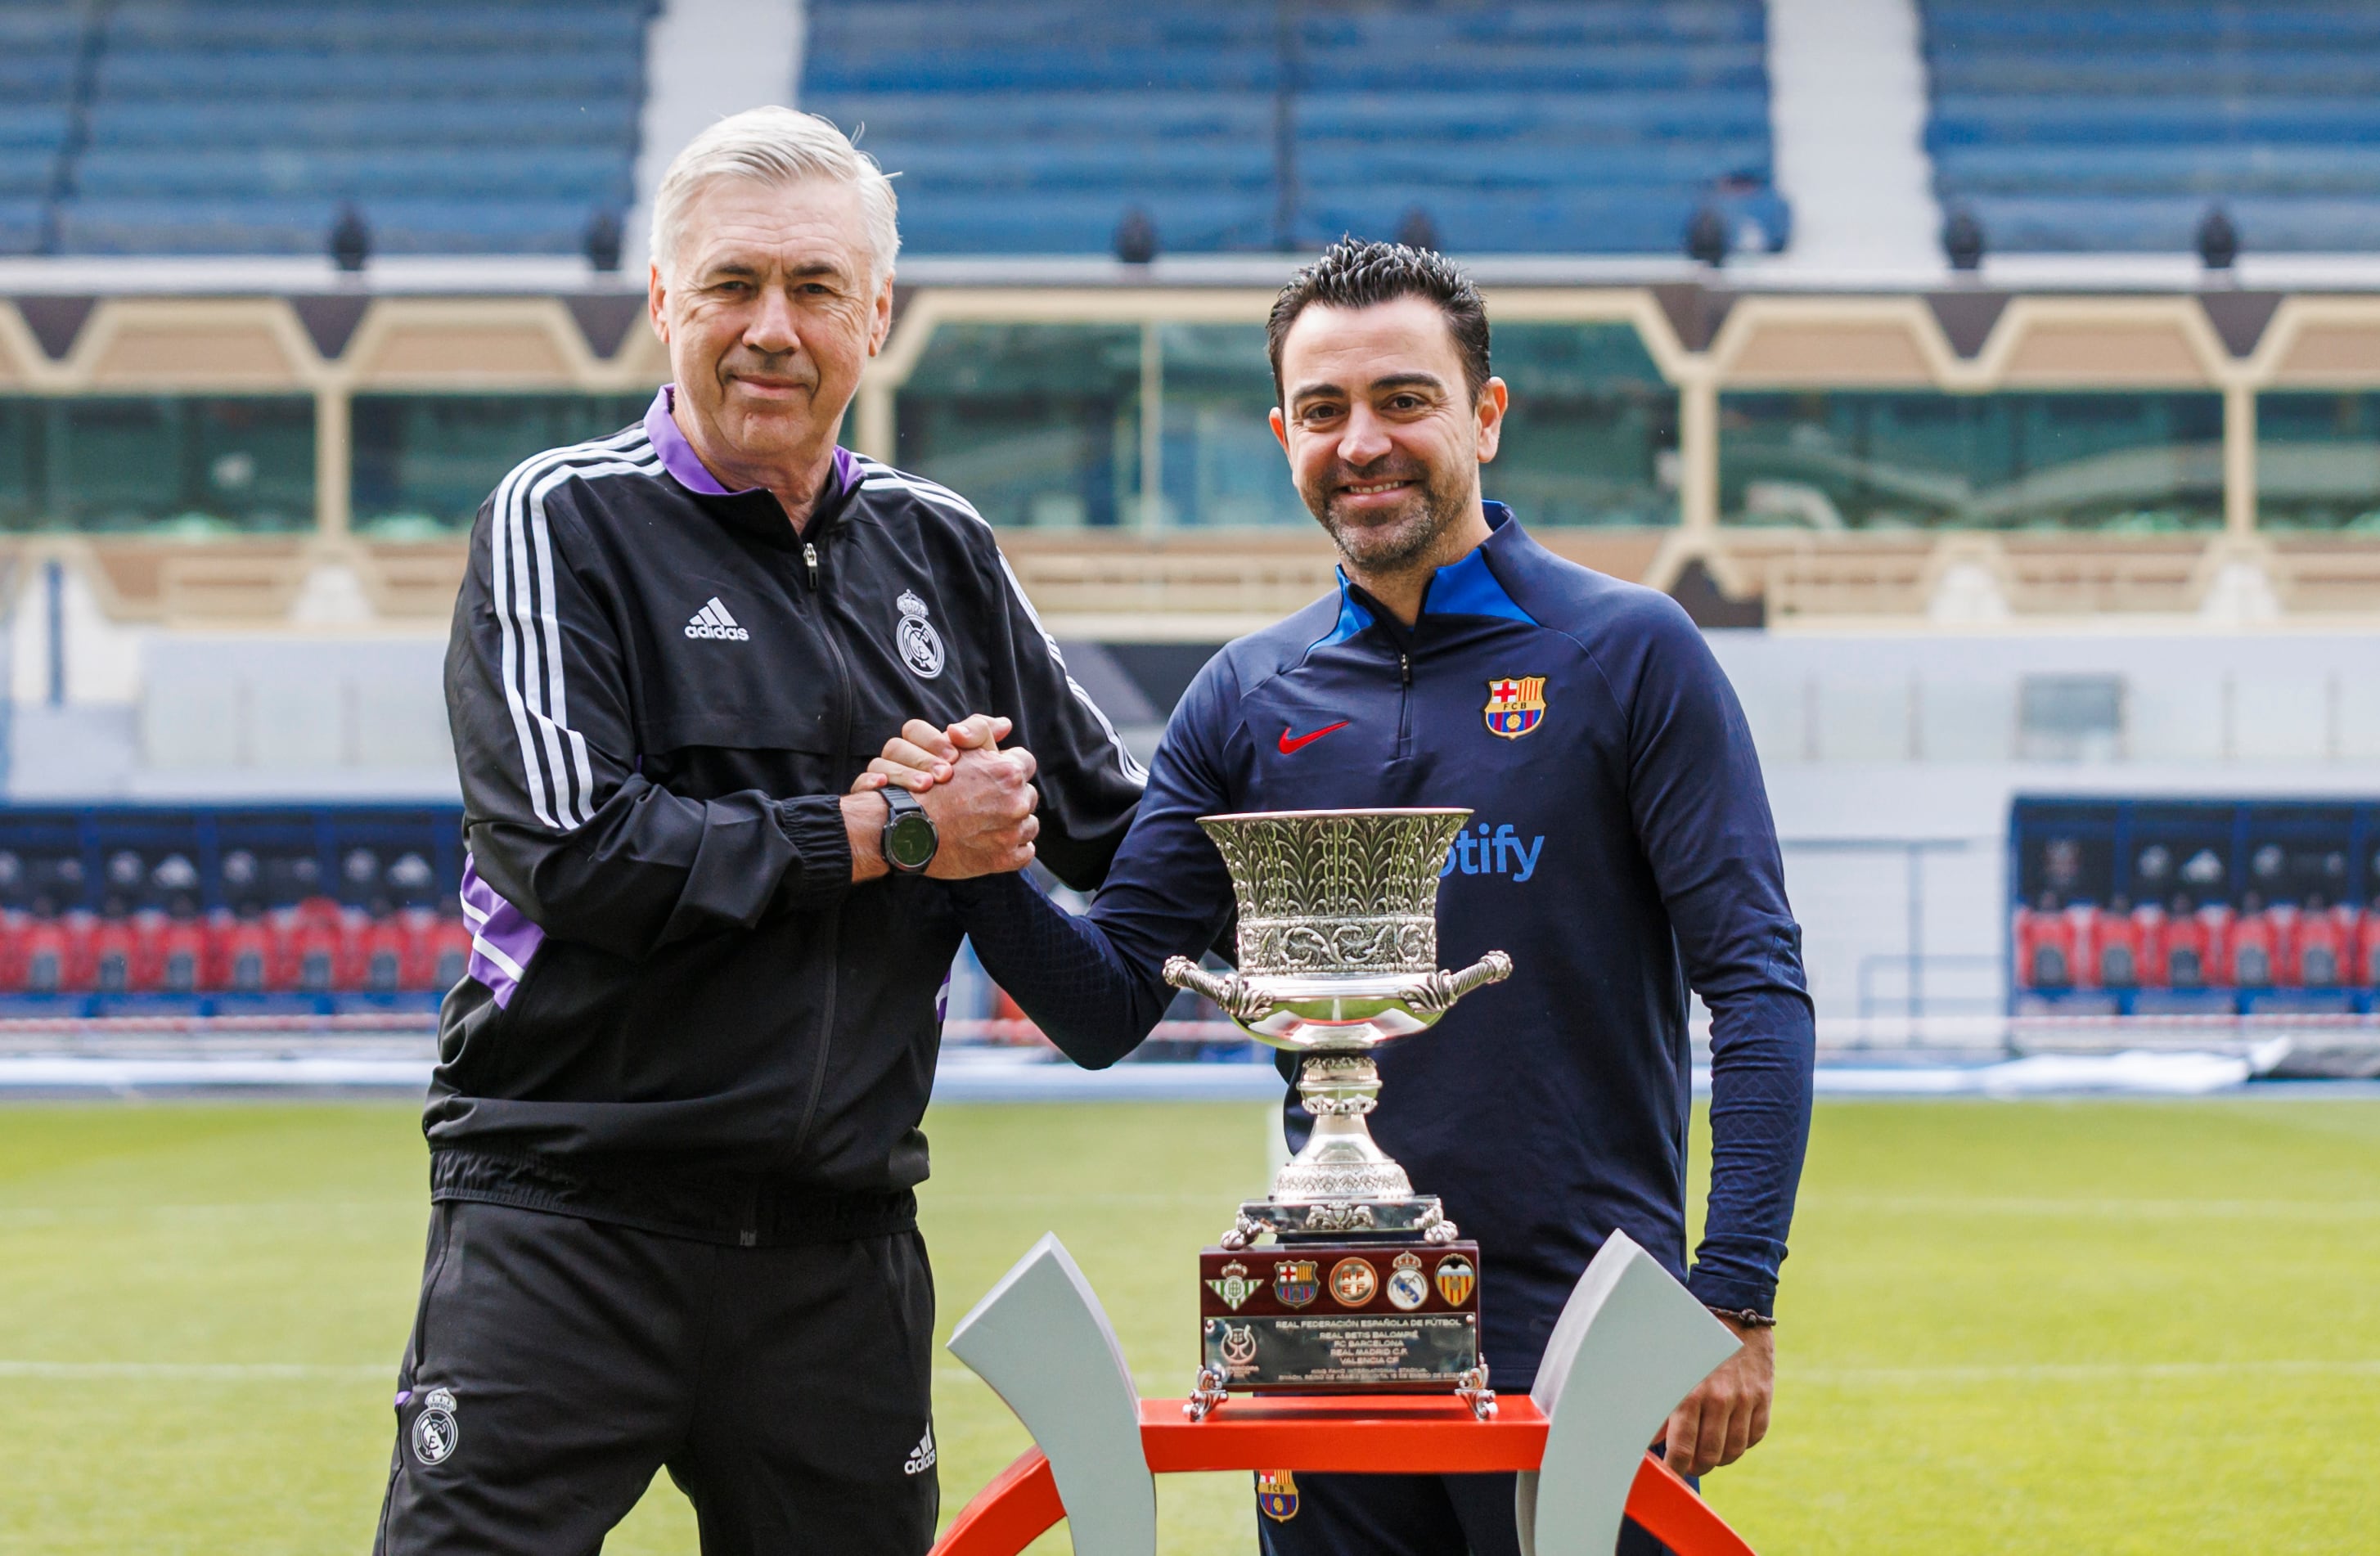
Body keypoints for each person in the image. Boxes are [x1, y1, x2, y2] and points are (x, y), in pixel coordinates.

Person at [863, 241, 1815, 1556]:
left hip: (1590, 1334)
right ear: (1281, 435)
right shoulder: (1247, 695)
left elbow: (1756, 985)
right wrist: (970, 856)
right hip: (1319, 1324)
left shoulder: (1626, 652)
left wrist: (1733, 1299)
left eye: (1402, 399)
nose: (1361, 442)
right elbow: (1101, 1004)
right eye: (1322, 412)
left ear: (1484, 413)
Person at [376, 108, 1145, 1556]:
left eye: (813, 288)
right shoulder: (560, 520)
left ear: (879, 314)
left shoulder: (941, 544)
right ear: (664, 303)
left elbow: (1117, 830)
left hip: (837, 1248)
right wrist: (898, 832)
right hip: (570, 1215)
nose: (771, 330)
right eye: (731, 286)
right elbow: (578, 853)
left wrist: (1308, 821)